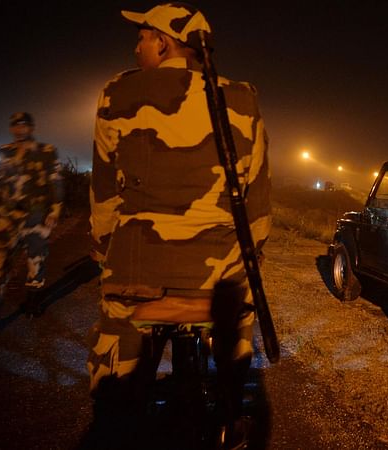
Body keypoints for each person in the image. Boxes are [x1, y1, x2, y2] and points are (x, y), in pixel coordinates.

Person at [85, 1, 270, 444]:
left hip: (136, 277)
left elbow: (105, 200)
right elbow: (257, 210)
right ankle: (227, 414)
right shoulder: (242, 98)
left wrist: (103, 256)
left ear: (164, 43)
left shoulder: (117, 93)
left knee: (115, 396)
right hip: (218, 277)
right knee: (233, 346)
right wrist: (247, 266)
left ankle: (120, 415)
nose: (137, 46)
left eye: (143, 37)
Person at [0, 112, 63, 325]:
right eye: (15, 125)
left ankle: (32, 303)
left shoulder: (46, 151)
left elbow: (56, 182)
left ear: (31, 127)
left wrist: (55, 210)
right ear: (11, 128)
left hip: (36, 215)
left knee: (35, 260)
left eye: (23, 125)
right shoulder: (4, 152)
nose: (19, 129)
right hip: (7, 217)